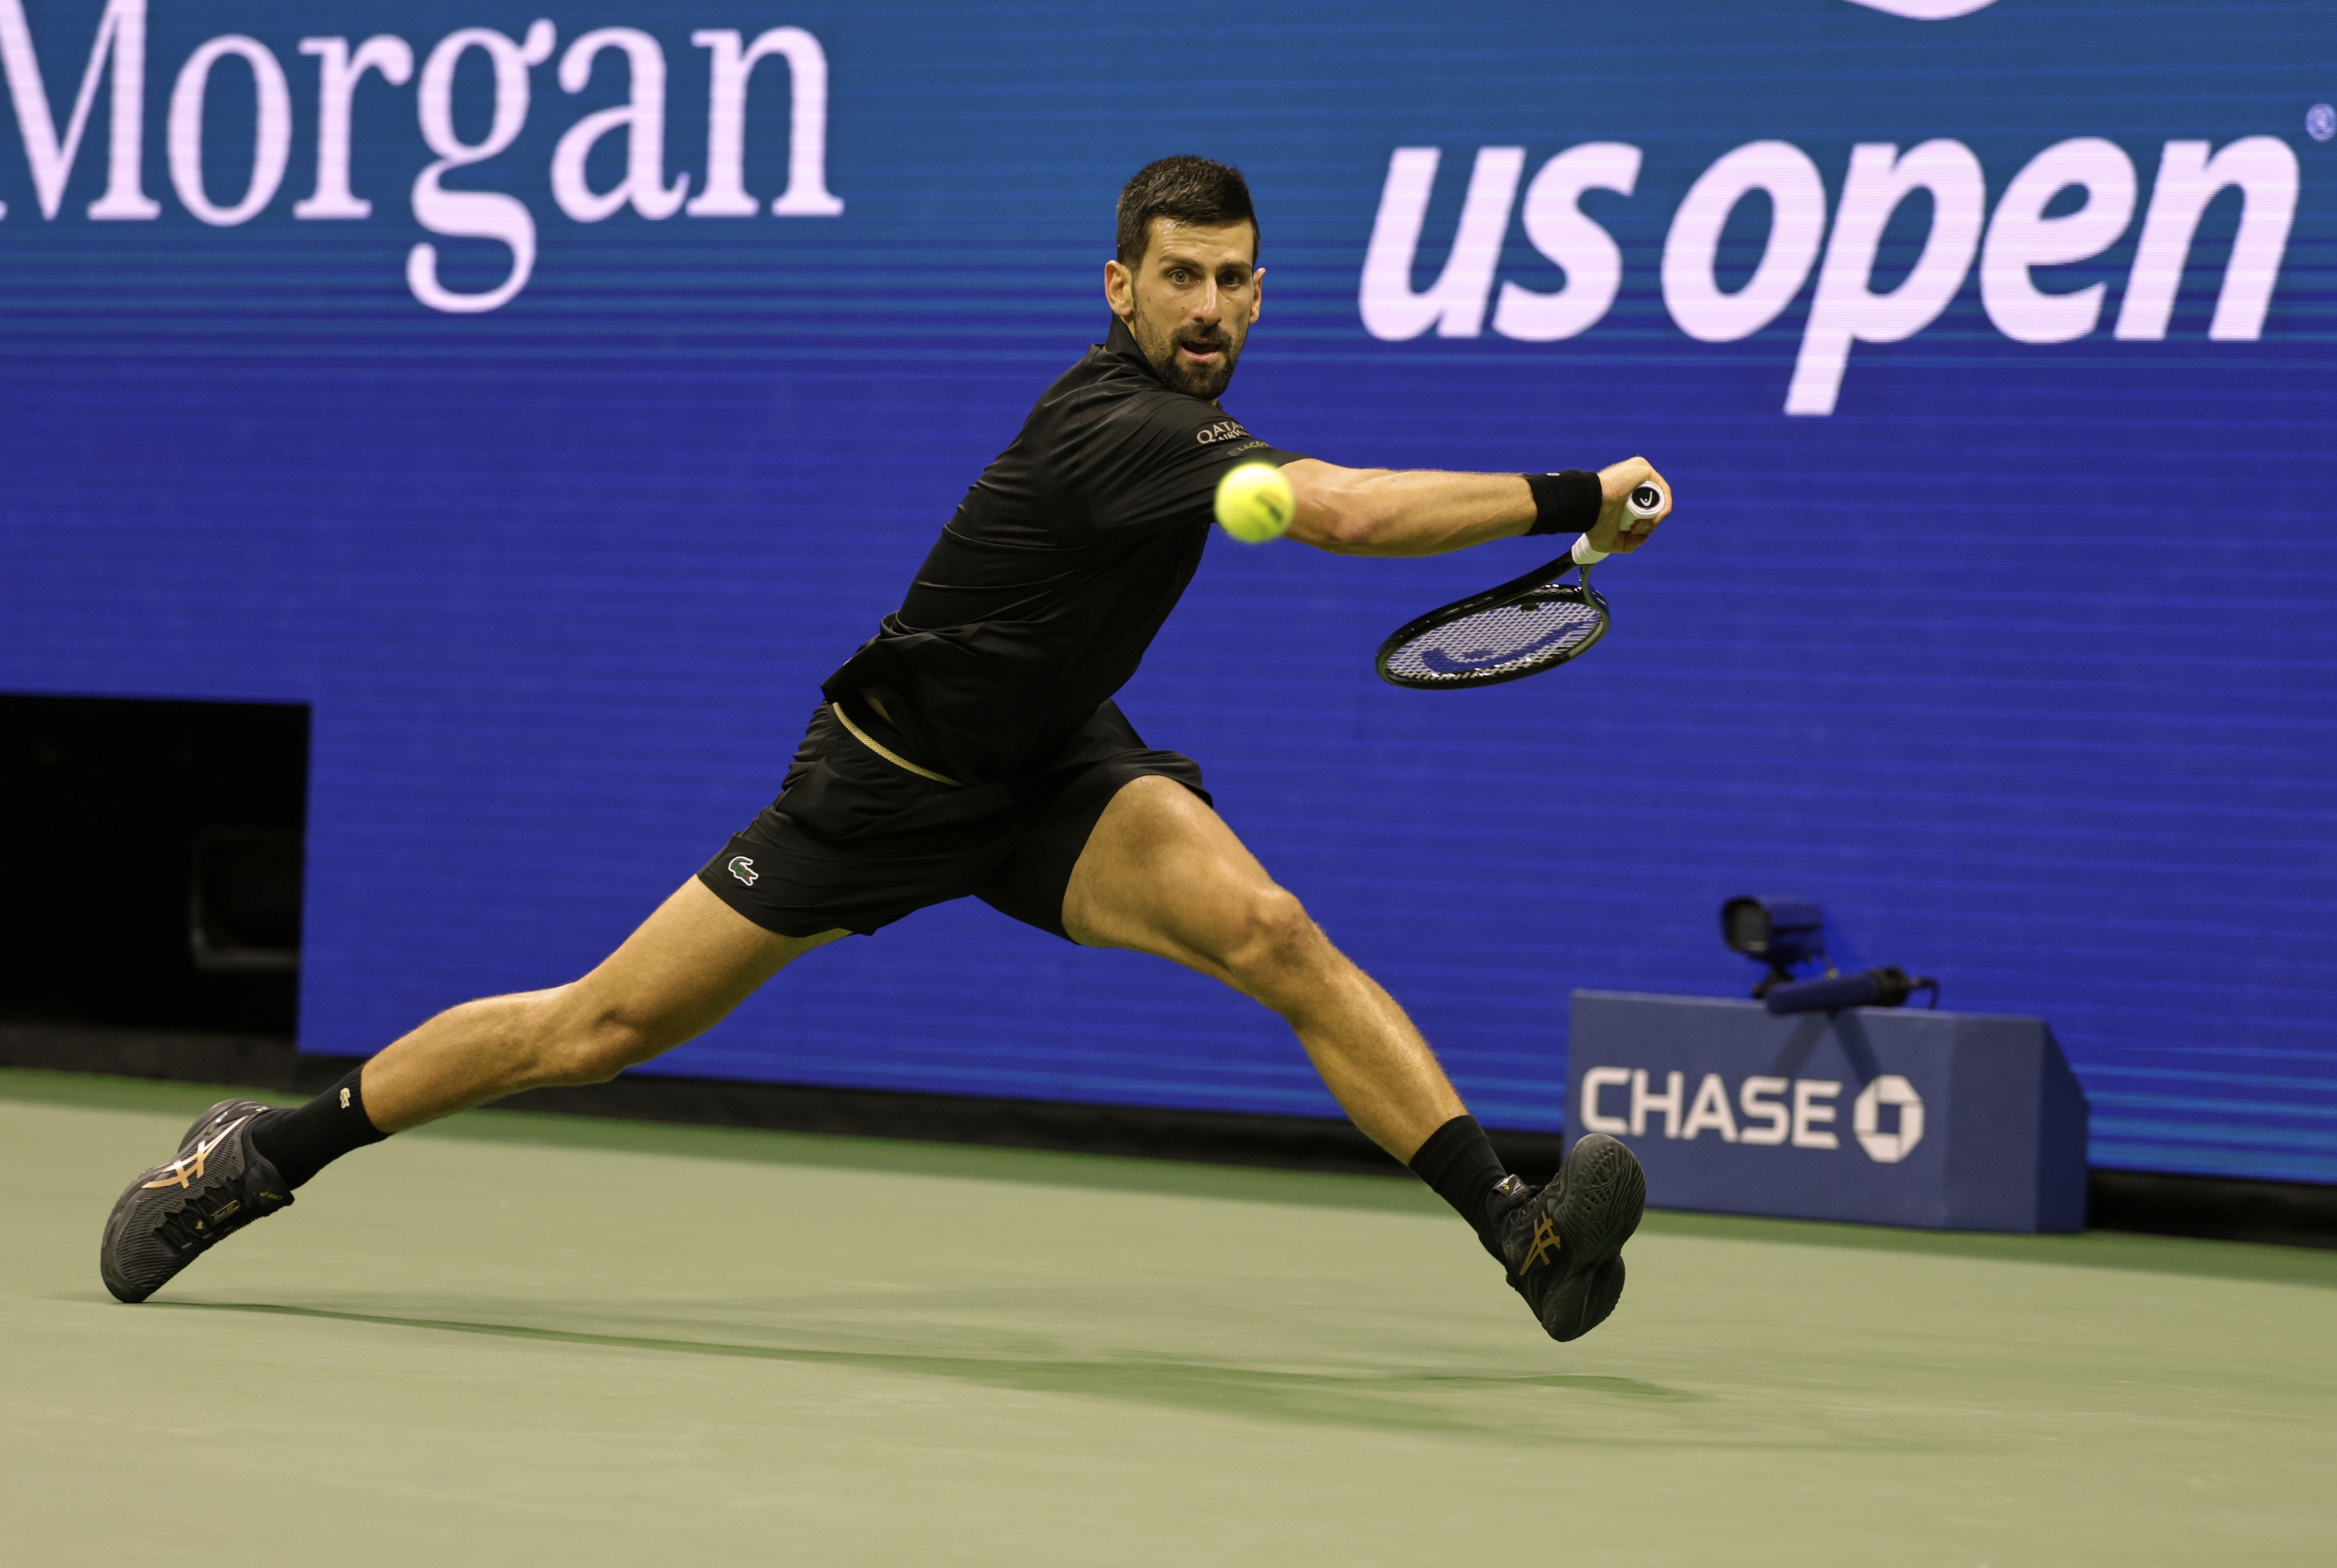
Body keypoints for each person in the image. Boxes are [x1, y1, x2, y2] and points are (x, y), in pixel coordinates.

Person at [101, 156, 1671, 1340]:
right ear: (1119, 288)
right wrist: (1569, 494)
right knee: (593, 1029)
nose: (1207, 309)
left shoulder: (1193, 414)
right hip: (881, 788)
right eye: (1178, 277)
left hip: (1053, 769)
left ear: (1262, 293)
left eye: (1234, 280)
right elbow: (1336, 512)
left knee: (1274, 934)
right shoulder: (1120, 423)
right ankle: (258, 1158)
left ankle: (1519, 1233)